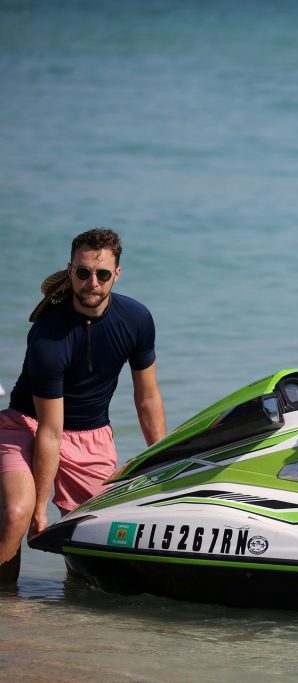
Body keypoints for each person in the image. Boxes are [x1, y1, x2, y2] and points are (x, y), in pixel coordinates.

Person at [0, 228, 166, 584]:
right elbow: (50, 430)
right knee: (17, 514)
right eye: (83, 272)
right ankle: (6, 607)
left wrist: (164, 458)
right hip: (26, 427)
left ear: (116, 274)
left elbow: (147, 397)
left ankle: (74, 616)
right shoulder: (49, 335)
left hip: (92, 438)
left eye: (102, 274)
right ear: (70, 269)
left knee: (90, 541)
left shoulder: (137, 320)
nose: (93, 282)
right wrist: (40, 509)